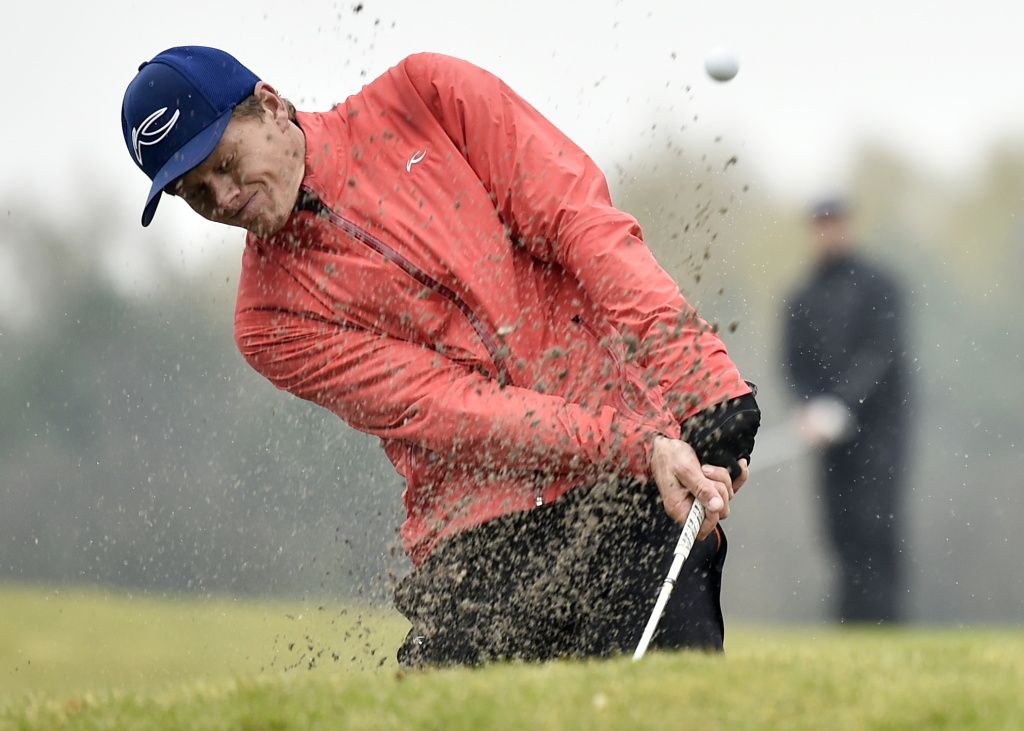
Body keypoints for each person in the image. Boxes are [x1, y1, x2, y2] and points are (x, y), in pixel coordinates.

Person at [121, 46, 760, 665]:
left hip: (635, 494)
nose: (224, 197)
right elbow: (454, 410)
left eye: (226, 162)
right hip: (481, 537)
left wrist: (705, 388)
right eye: (195, 192)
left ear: (270, 104)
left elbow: (582, 226)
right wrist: (642, 444)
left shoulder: (426, 97)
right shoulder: (268, 320)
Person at [782, 196, 912, 624]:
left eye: (835, 223)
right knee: (838, 530)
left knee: (875, 526)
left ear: (849, 226)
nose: (828, 232)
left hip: (880, 432)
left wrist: (843, 402)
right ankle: (851, 622)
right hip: (828, 439)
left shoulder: (880, 286)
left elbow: (882, 353)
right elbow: (795, 363)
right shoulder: (802, 296)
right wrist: (810, 407)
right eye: (821, 224)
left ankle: (883, 621)